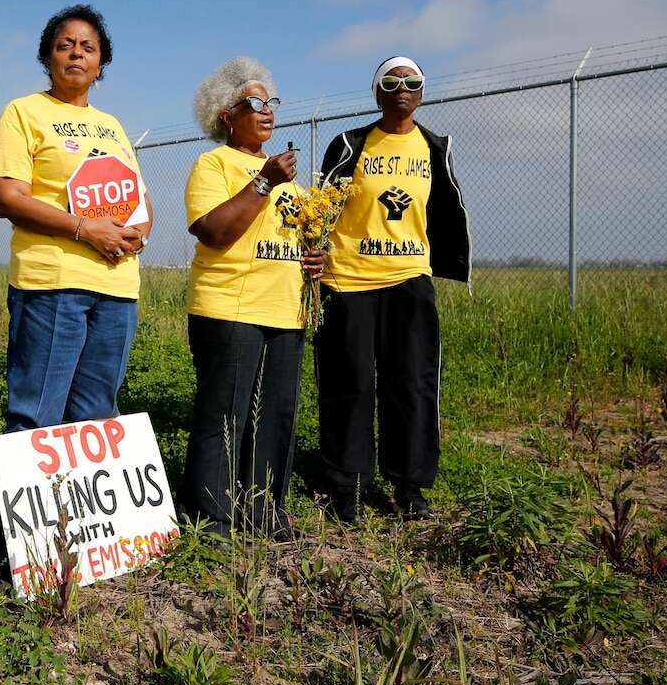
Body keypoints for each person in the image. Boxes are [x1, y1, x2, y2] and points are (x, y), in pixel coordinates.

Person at [314, 56, 470, 522]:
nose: (402, 88)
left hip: (409, 282)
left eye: (412, 81)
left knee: (413, 385)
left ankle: (410, 486)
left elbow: (443, 209)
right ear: (377, 91)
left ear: (422, 92)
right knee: (350, 385)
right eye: (391, 81)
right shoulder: (349, 145)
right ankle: (345, 487)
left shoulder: (434, 147)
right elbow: (322, 207)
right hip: (348, 282)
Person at [0, 5, 152, 432]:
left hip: (116, 287)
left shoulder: (111, 125)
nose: (77, 54)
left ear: (101, 65)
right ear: (47, 58)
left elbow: (140, 199)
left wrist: (139, 234)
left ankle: (75, 501)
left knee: (97, 413)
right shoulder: (24, 113)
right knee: (36, 412)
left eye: (88, 47)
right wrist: (83, 228)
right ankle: (29, 500)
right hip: (53, 283)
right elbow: (7, 196)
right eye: (65, 45)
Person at [180, 57, 325, 540]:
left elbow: (302, 243)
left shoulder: (294, 185)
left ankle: (264, 510)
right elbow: (214, 232)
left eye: (271, 103)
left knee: (275, 416)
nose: (267, 111)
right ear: (227, 114)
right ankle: (212, 519)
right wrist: (262, 181)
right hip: (230, 308)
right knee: (225, 413)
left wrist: (315, 260)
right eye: (254, 103)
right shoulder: (214, 165)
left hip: (285, 311)